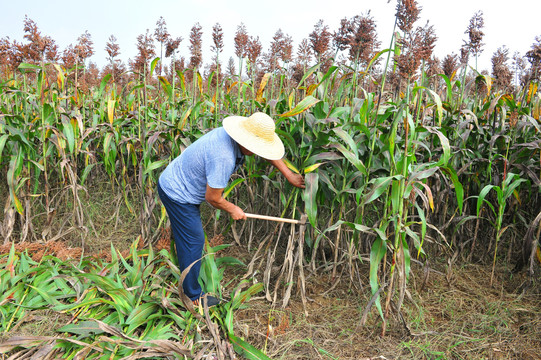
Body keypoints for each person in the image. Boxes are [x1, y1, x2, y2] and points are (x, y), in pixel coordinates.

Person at [157, 112, 305, 307]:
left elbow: (266, 151)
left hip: (182, 181)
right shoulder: (223, 157)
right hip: (177, 192)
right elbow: (213, 198)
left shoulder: (235, 136)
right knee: (194, 240)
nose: (260, 152)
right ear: (247, 142)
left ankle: (183, 258)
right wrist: (233, 208)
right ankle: (192, 297)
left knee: (188, 237)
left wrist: (288, 174)